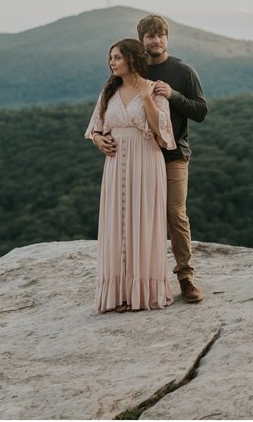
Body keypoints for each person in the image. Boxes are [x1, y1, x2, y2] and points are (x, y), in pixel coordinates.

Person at [91, 15, 208, 304]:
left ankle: (185, 277)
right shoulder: (131, 74)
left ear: (167, 38)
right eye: (150, 36)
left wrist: (174, 95)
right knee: (135, 215)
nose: (156, 40)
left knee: (174, 213)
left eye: (160, 35)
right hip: (137, 155)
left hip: (174, 153)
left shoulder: (182, 71)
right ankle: (133, 283)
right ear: (141, 41)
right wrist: (97, 137)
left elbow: (201, 111)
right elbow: (104, 116)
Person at [85, 38, 177, 313]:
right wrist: (99, 141)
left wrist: (147, 97)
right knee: (116, 224)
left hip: (146, 159)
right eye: (110, 58)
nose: (112, 63)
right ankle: (119, 294)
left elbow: (163, 134)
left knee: (143, 223)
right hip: (115, 164)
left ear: (132, 59)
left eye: (117, 57)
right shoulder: (108, 91)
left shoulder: (155, 91)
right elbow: (95, 128)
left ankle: (142, 294)